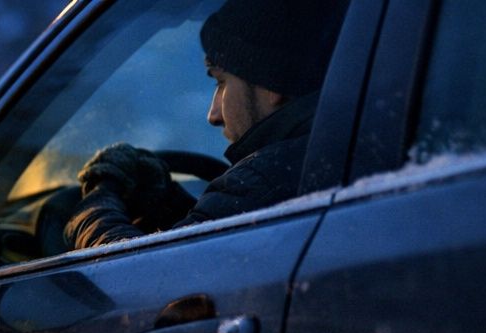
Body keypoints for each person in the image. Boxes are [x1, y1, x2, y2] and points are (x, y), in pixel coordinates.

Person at [65, 0, 348, 250]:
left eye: (221, 82)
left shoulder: (265, 180)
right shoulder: (321, 159)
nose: (213, 115)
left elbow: (146, 279)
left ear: (271, 82)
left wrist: (93, 207)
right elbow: (211, 247)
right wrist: (167, 205)